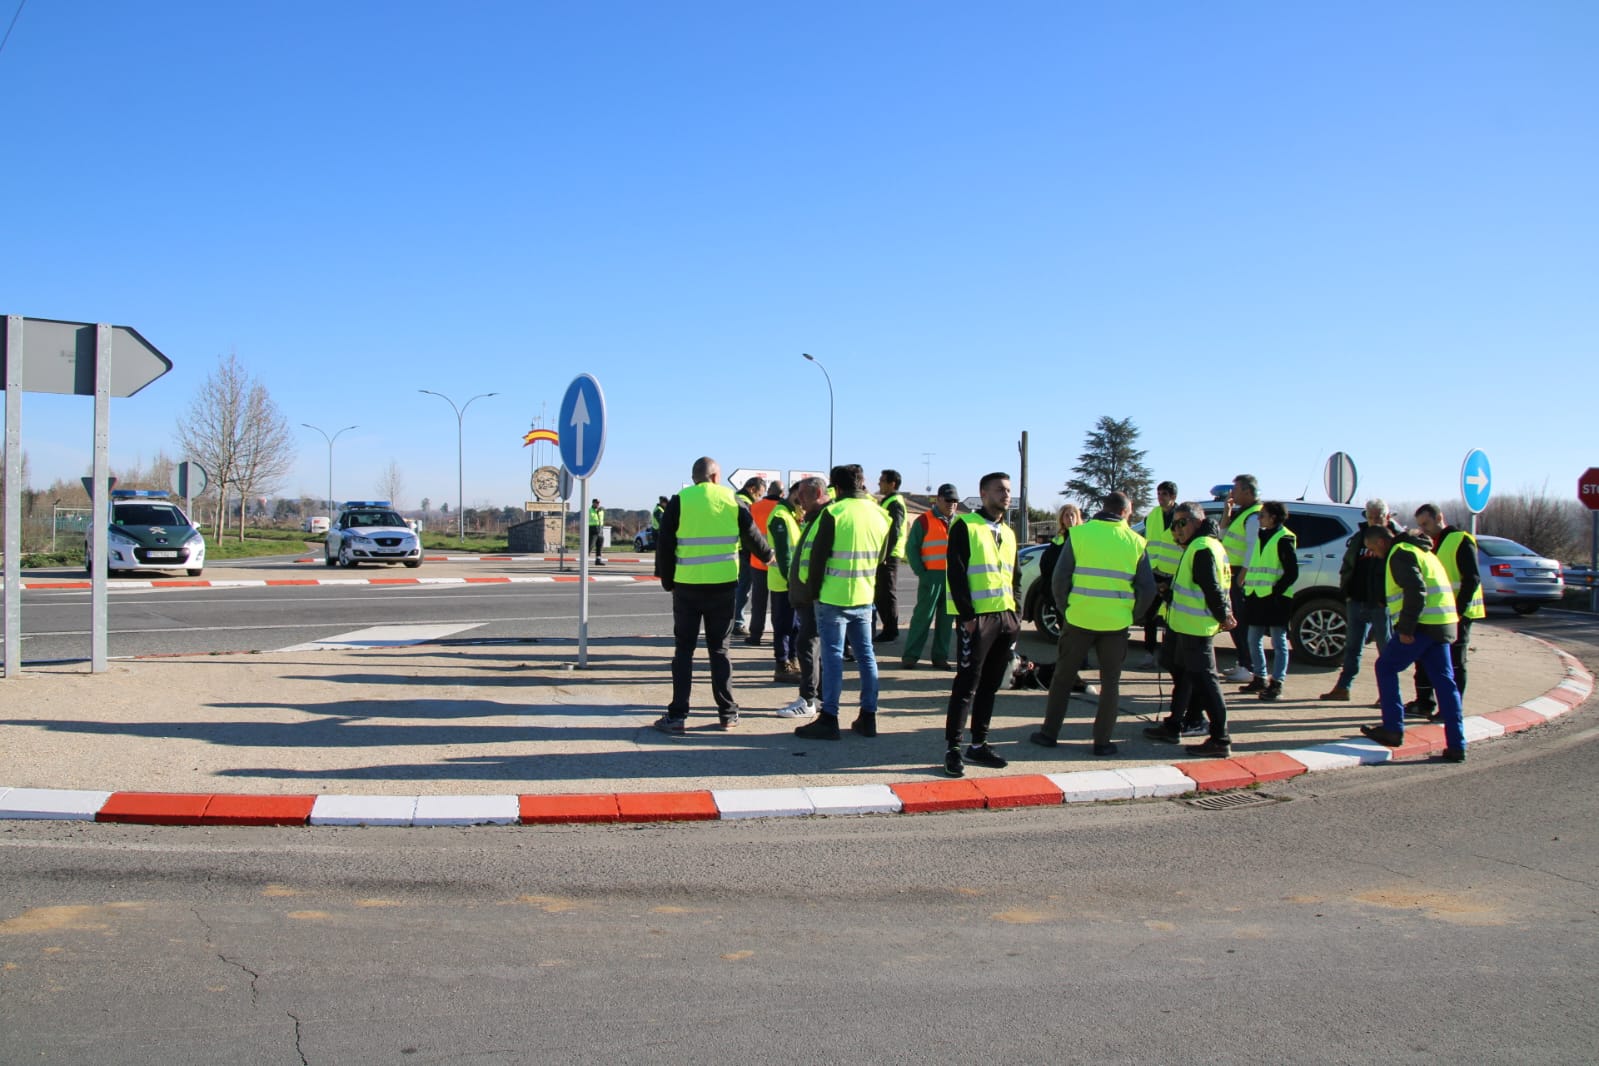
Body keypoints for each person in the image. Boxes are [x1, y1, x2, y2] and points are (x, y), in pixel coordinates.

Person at [1029, 491, 1156, 756]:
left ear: (1103, 508)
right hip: (1116, 624)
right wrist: (1131, 615)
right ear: (1126, 512)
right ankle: (1102, 742)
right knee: (1110, 683)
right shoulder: (1136, 542)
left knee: (1062, 679)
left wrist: (1067, 610)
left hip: (1078, 619)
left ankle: (1049, 734)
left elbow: (1060, 580)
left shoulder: (1079, 535)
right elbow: (1147, 589)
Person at [652, 458, 772, 734]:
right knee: (720, 651)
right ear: (716, 476)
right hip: (723, 587)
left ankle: (678, 715)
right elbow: (752, 535)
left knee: (684, 650)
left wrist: (668, 582)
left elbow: (665, 544)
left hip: (686, 587)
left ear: (695, 477)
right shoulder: (732, 499)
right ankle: (727, 714)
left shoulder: (680, 500)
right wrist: (768, 555)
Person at [794, 464, 890, 740]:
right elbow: (882, 556)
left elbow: (817, 559)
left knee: (833, 658)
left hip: (832, 597)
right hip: (864, 595)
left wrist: (811, 592)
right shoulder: (881, 514)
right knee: (866, 656)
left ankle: (830, 717)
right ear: (862, 482)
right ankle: (868, 716)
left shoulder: (833, 513)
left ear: (835, 487)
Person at [1358, 524, 1466, 762]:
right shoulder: (1424, 551)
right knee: (1445, 683)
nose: (1372, 554)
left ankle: (1393, 729)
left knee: (1385, 667)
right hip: (1443, 622)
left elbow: (1416, 590)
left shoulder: (1400, 553)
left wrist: (1406, 628)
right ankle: (1457, 745)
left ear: (1382, 542)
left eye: (1372, 549)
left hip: (1421, 626)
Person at [942, 472, 1021, 776]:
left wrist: (1017, 612)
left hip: (1005, 618)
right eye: (1000, 490)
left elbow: (1013, 576)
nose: (1006, 495)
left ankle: (980, 743)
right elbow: (957, 573)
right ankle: (953, 748)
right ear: (983, 493)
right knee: (966, 684)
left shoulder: (1009, 532)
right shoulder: (965, 525)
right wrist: (967, 616)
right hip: (978, 620)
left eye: (1009, 490)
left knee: (991, 684)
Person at [1143, 502, 1237, 755]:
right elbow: (1195, 587)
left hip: (1196, 628)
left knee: (1206, 681)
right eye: (1174, 524)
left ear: (1197, 522)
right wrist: (1169, 592)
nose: (1177, 529)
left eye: (1182, 523)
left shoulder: (1203, 548)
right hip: (1186, 626)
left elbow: (1212, 588)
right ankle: (1176, 724)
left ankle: (1220, 738)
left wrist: (1225, 616)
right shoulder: (1202, 546)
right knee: (1184, 675)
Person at [1406, 503, 1484, 719]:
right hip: (1435, 614)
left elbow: (1472, 578)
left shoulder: (1461, 539)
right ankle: (1424, 703)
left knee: (1455, 663)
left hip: (1458, 614)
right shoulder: (1428, 543)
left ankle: (1451, 709)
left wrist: (1458, 611)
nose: (1425, 528)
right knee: (1425, 659)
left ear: (1439, 517)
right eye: (1421, 525)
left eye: (1427, 523)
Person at [1320, 499, 1401, 701]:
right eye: (1370, 517)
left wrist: (1385, 599)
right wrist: (1346, 591)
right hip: (1356, 599)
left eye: (1378, 517)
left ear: (1387, 517)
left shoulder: (1395, 540)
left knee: (1386, 649)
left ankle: (1388, 694)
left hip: (1382, 604)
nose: (1374, 521)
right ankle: (1343, 687)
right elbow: (1348, 564)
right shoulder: (1360, 537)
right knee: (1352, 647)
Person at [775, 476, 829, 719]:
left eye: (803, 497)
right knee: (814, 646)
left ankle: (808, 699)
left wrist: (807, 591)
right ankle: (816, 697)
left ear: (818, 493)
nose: (800, 503)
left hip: (815, 595)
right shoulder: (814, 517)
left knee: (808, 645)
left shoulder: (824, 518)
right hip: (812, 594)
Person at [1238, 500, 1298, 700]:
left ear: (1273, 517)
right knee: (1253, 638)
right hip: (1256, 595)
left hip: (1276, 599)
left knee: (1278, 641)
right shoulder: (1261, 536)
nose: (1259, 518)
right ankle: (1259, 677)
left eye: (1262, 515)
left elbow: (1291, 573)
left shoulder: (1284, 538)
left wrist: (1275, 591)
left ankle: (1277, 682)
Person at [901, 483, 958, 670]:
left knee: (946, 620)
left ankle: (940, 657)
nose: (952, 504)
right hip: (931, 576)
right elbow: (912, 549)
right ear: (938, 499)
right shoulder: (924, 520)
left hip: (951, 578)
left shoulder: (960, 522)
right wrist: (922, 573)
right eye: (948, 500)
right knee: (922, 618)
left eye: (955, 501)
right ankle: (910, 656)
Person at [1219, 475, 1262, 682]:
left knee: (1241, 623)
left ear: (1247, 491)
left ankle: (1248, 666)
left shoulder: (1254, 516)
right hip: (1231, 573)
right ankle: (1242, 662)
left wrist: (1241, 577)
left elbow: (1253, 549)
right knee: (1234, 622)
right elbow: (1223, 535)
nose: (1232, 494)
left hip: (1239, 575)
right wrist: (1226, 513)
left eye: (1235, 489)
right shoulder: (1241, 513)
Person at [1138, 481, 1181, 669]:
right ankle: (1149, 652)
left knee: (1173, 617)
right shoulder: (1152, 516)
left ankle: (1171, 654)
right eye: (1159, 493)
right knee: (1150, 614)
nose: (1160, 497)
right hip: (1154, 571)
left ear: (1173, 497)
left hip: (1176, 573)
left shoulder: (1181, 515)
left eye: (1164, 494)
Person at [764, 482, 803, 682]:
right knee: (784, 625)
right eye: (803, 496)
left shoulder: (792, 516)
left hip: (792, 581)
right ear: (794, 493)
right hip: (783, 582)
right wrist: (791, 580)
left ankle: (792, 659)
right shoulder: (780, 516)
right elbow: (784, 554)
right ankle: (782, 664)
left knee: (794, 625)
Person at [742, 481, 784, 647]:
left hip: (757, 562)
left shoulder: (754, 507)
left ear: (768, 491)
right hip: (778, 564)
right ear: (781, 494)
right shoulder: (783, 509)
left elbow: (748, 534)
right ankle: (777, 636)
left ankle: (755, 635)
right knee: (778, 604)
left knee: (758, 602)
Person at [873, 469, 908, 643]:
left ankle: (891, 630)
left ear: (892, 484)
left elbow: (894, 530)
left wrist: (885, 554)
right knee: (881, 593)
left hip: (889, 555)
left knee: (886, 593)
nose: (879, 483)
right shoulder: (889, 501)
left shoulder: (895, 503)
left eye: (882, 480)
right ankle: (889, 628)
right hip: (886, 553)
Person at [731, 476, 766, 637]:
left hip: (736, 549)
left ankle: (737, 620)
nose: (759, 498)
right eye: (759, 494)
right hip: (745, 551)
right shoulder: (746, 504)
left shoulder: (734, 499)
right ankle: (738, 622)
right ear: (752, 489)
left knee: (740, 587)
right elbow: (750, 530)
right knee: (744, 588)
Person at [588, 498, 606, 565]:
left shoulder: (601, 511)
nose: (598, 504)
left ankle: (598, 560)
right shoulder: (589, 510)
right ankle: (585, 559)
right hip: (592, 529)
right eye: (596, 503)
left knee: (599, 546)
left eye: (598, 503)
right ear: (593, 503)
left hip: (600, 530)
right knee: (590, 546)